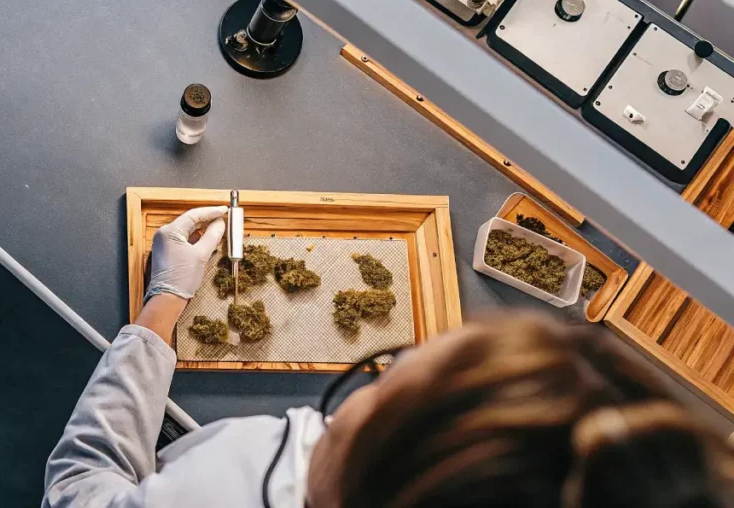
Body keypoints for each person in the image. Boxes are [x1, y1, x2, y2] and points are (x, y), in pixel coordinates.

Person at [42, 207, 734, 508]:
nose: (378, 373)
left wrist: (161, 306)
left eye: (390, 380)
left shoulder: (226, 491)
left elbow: (80, 486)